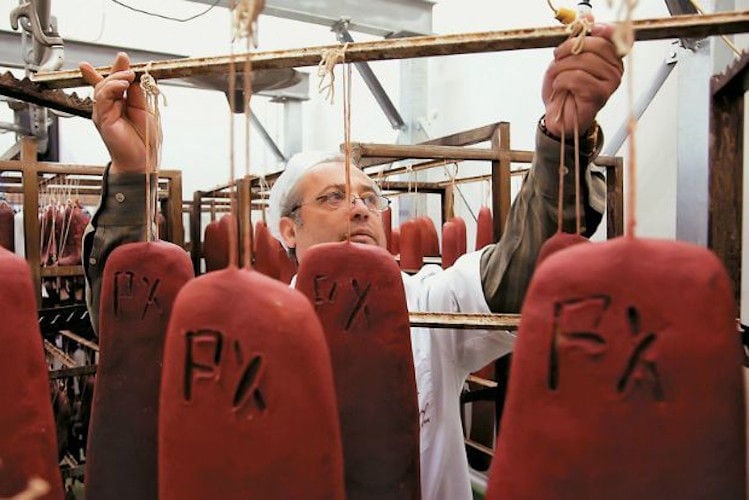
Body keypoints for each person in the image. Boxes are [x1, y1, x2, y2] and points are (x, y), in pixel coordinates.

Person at [80, 23, 622, 500]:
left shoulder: (426, 300)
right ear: (287, 230)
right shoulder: (249, 323)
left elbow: (521, 274)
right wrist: (133, 174)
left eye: (369, 197)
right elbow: (136, 332)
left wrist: (562, 140)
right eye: (334, 198)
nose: (359, 208)